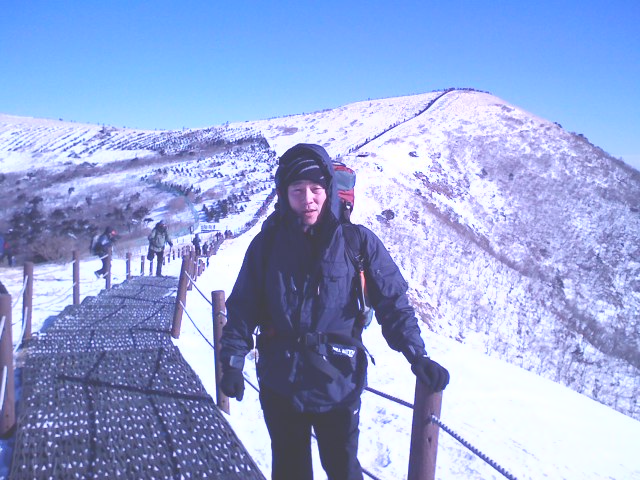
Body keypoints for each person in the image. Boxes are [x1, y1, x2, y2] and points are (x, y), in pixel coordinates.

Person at [219, 143, 450, 480]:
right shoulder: (266, 245)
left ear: (328, 190)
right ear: (283, 194)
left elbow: (393, 304)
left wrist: (417, 355)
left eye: (315, 189)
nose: (308, 199)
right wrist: (232, 363)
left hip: (338, 384)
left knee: (342, 469)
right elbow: (243, 307)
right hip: (280, 383)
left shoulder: (358, 243)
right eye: (297, 190)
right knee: (289, 471)